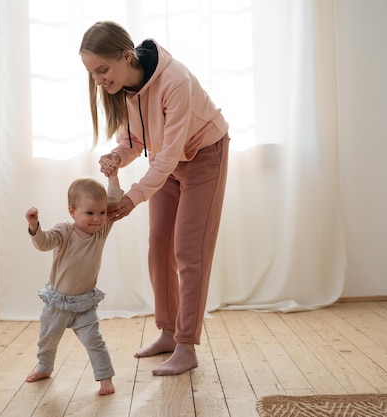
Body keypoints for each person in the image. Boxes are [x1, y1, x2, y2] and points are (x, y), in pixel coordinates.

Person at [80, 21, 230, 376]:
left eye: (103, 69)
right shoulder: (125, 88)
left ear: (126, 56)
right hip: (168, 160)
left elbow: (168, 153)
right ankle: (166, 332)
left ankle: (186, 345)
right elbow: (136, 138)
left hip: (205, 154)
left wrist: (132, 198)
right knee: (158, 245)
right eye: (92, 74)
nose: (99, 80)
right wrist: (118, 154)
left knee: (189, 250)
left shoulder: (174, 80)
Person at [25, 176, 123, 395]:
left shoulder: (101, 231)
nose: (97, 219)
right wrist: (34, 226)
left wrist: (112, 175)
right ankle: (44, 367)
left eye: (102, 212)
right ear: (72, 211)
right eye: (89, 213)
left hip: (84, 303)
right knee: (47, 339)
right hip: (57, 302)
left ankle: (105, 378)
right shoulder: (65, 231)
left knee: (94, 341)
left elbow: (114, 199)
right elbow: (44, 242)